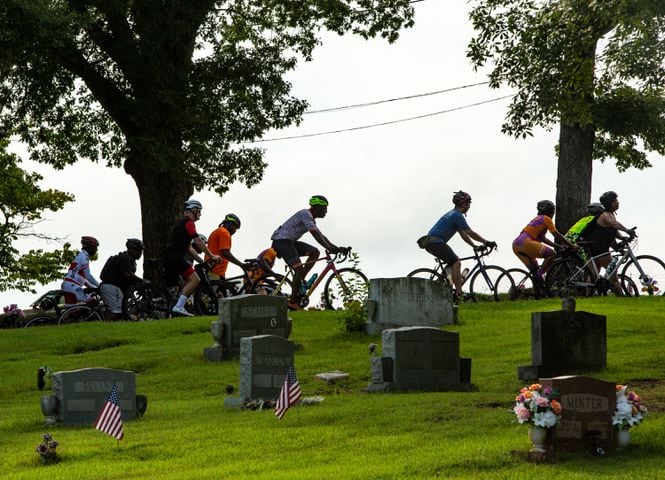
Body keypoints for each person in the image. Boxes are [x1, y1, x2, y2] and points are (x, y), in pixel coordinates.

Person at [270, 195, 347, 310]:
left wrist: (336, 248)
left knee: (314, 252)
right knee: (299, 269)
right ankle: (293, 301)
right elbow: (315, 234)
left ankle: (300, 280)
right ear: (317, 207)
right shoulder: (305, 214)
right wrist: (329, 247)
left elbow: (321, 235)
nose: (326, 211)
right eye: (324, 208)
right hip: (281, 241)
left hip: (289, 242)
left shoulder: (311, 219)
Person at [417, 191, 495, 300]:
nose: (469, 206)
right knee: (456, 262)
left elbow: (463, 234)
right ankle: (459, 294)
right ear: (464, 204)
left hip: (431, 242)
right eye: (468, 203)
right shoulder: (457, 216)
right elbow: (470, 232)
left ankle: (445, 284)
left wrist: (474, 246)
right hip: (435, 242)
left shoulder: (452, 214)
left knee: (452, 264)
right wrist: (486, 242)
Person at [163, 199, 221, 317]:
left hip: (170, 255)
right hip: (175, 255)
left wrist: (201, 261)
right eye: (199, 211)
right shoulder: (189, 222)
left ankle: (176, 304)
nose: (200, 214)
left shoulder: (182, 224)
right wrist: (211, 255)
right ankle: (179, 306)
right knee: (195, 279)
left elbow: (190, 248)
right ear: (193, 210)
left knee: (180, 282)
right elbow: (198, 241)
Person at [512, 200, 578, 285]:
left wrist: (557, 245)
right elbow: (556, 234)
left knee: (534, 272)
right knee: (552, 254)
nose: (553, 213)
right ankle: (541, 275)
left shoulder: (537, 219)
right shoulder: (546, 219)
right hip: (526, 243)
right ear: (550, 211)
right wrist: (571, 245)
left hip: (516, 245)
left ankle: (539, 293)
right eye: (553, 211)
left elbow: (544, 239)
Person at [579, 191, 636, 287]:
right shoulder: (605, 215)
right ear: (610, 203)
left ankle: (588, 296)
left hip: (592, 246)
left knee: (593, 275)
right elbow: (613, 224)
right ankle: (620, 297)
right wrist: (627, 230)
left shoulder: (608, 214)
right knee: (613, 275)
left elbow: (612, 230)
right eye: (615, 201)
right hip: (599, 248)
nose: (618, 202)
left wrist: (622, 237)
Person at [99, 239, 145, 320]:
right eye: (140, 251)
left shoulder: (125, 258)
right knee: (116, 311)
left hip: (115, 288)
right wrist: (141, 280)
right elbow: (127, 274)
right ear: (133, 250)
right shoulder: (126, 258)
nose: (141, 254)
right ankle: (105, 327)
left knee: (122, 310)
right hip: (111, 287)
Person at [206, 214, 248, 280]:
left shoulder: (216, 231)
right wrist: (241, 265)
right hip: (215, 272)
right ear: (231, 224)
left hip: (211, 269)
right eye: (235, 228)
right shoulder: (224, 233)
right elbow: (225, 252)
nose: (235, 231)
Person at [61, 236, 101, 306]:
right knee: (93, 303)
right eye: (95, 247)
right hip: (72, 286)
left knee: (72, 313)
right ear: (89, 247)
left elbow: (85, 280)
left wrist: (95, 288)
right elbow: (88, 276)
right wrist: (100, 286)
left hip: (67, 285)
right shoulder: (84, 257)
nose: (96, 249)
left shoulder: (80, 256)